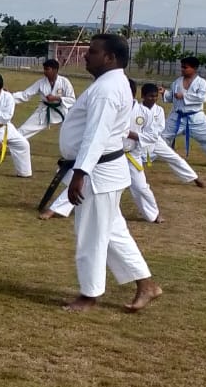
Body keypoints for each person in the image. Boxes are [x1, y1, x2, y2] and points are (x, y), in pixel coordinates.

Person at [58, 33, 162, 312]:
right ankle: (147, 285)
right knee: (114, 232)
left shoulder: (106, 89)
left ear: (110, 58)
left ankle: (89, 295)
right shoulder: (111, 84)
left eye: (91, 51)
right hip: (106, 171)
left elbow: (96, 135)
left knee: (91, 235)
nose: (85, 55)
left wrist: (79, 173)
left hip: (98, 173)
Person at [41, 79, 160, 224]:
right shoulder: (111, 108)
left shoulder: (144, 113)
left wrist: (131, 135)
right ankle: (56, 209)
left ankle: (153, 214)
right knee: (84, 179)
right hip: (109, 154)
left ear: (131, 94)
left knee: (141, 187)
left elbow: (152, 136)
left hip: (132, 155)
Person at [138, 83, 205, 187]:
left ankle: (193, 178)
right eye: (150, 96)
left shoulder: (159, 110)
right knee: (134, 160)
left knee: (174, 157)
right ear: (143, 96)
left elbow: (160, 127)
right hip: (139, 140)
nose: (153, 99)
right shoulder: (136, 110)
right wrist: (143, 138)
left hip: (156, 140)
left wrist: (152, 137)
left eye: (155, 96)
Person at [163, 56, 206, 167]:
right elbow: (172, 97)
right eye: (181, 67)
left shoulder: (201, 83)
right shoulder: (177, 82)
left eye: (185, 67)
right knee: (162, 136)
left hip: (196, 118)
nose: (182, 69)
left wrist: (184, 96)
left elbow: (203, 98)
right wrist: (164, 93)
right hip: (177, 116)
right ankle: (146, 157)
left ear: (194, 68)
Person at [12, 58, 76, 138]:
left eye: (47, 69)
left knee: (71, 136)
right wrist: (8, 96)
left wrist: (56, 98)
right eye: (44, 69)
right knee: (23, 130)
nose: (45, 72)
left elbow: (72, 100)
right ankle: (3, 146)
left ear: (55, 70)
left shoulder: (64, 82)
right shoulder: (41, 83)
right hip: (44, 111)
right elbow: (25, 95)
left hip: (61, 111)